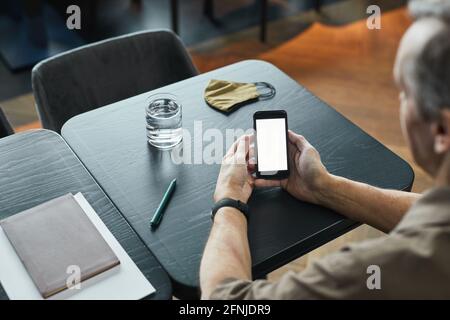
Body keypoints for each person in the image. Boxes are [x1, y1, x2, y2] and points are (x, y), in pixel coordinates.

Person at [200, 0, 450, 299]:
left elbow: (223, 301)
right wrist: (324, 188)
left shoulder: (382, 268)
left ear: (441, 130)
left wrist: (229, 201)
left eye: (405, 93)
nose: (400, 101)